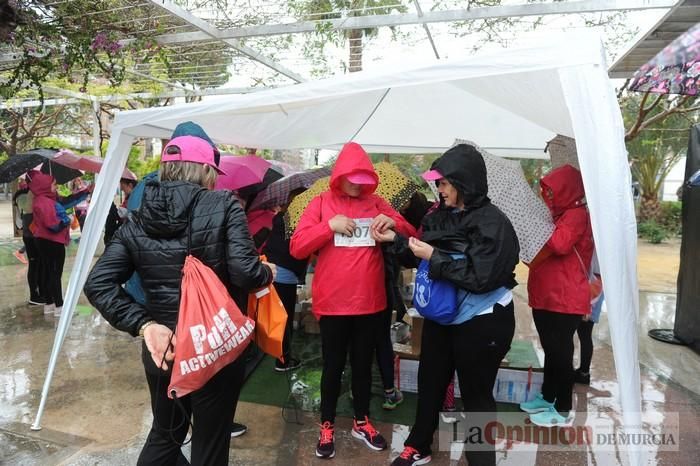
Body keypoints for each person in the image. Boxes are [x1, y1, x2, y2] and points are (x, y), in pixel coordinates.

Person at [84, 135, 276, 465]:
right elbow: (245, 273)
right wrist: (267, 272)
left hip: (163, 348)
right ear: (204, 170)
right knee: (210, 440)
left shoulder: (138, 217)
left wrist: (145, 325)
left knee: (166, 433)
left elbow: (98, 284)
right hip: (213, 345)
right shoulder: (224, 206)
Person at [376, 144, 519, 466]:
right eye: (436, 183)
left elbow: (480, 278)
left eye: (443, 183)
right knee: (430, 382)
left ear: (463, 182)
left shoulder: (494, 224)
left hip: (483, 319)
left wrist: (434, 256)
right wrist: (396, 241)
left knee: (476, 395)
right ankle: (419, 444)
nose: (438, 189)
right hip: (443, 315)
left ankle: (481, 459)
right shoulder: (437, 216)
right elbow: (419, 253)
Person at [290, 141, 415, 460]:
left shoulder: (377, 202)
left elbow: (410, 232)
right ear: (340, 176)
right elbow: (297, 247)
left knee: (363, 366)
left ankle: (362, 421)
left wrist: (393, 223)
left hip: (371, 303)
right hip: (333, 304)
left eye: (363, 180)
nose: (358, 186)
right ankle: (327, 425)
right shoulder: (320, 203)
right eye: (352, 179)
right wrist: (328, 227)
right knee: (332, 367)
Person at [519, 164, 593, 427]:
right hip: (546, 295)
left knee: (561, 353)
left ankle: (562, 408)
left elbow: (560, 245)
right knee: (550, 350)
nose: (547, 197)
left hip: (565, 298)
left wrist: (536, 225)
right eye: (546, 192)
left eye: (552, 192)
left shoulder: (576, 215)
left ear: (567, 190)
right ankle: (547, 396)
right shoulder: (558, 216)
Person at [29, 171, 91, 317]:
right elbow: (53, 225)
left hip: (43, 241)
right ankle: (59, 306)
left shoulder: (42, 199)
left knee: (48, 272)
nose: (55, 187)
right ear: (44, 186)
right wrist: (67, 220)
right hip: (52, 242)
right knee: (55, 274)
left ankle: (49, 304)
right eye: (53, 184)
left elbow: (66, 203)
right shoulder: (45, 202)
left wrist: (86, 191)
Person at [262, 188, 308, 372]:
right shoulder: (298, 222)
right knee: (284, 319)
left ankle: (276, 352)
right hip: (284, 275)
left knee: (274, 317)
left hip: (269, 271)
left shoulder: (280, 218)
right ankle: (283, 361)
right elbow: (296, 253)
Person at [14, 178, 42, 303]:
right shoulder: (23, 197)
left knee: (37, 264)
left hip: (32, 234)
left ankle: (38, 293)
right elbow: (28, 210)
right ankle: (34, 296)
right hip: (31, 235)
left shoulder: (26, 195)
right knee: (35, 264)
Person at [104, 177, 137, 245]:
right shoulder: (131, 196)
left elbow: (123, 214)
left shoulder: (135, 198)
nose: (122, 189)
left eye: (123, 187)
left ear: (130, 185)